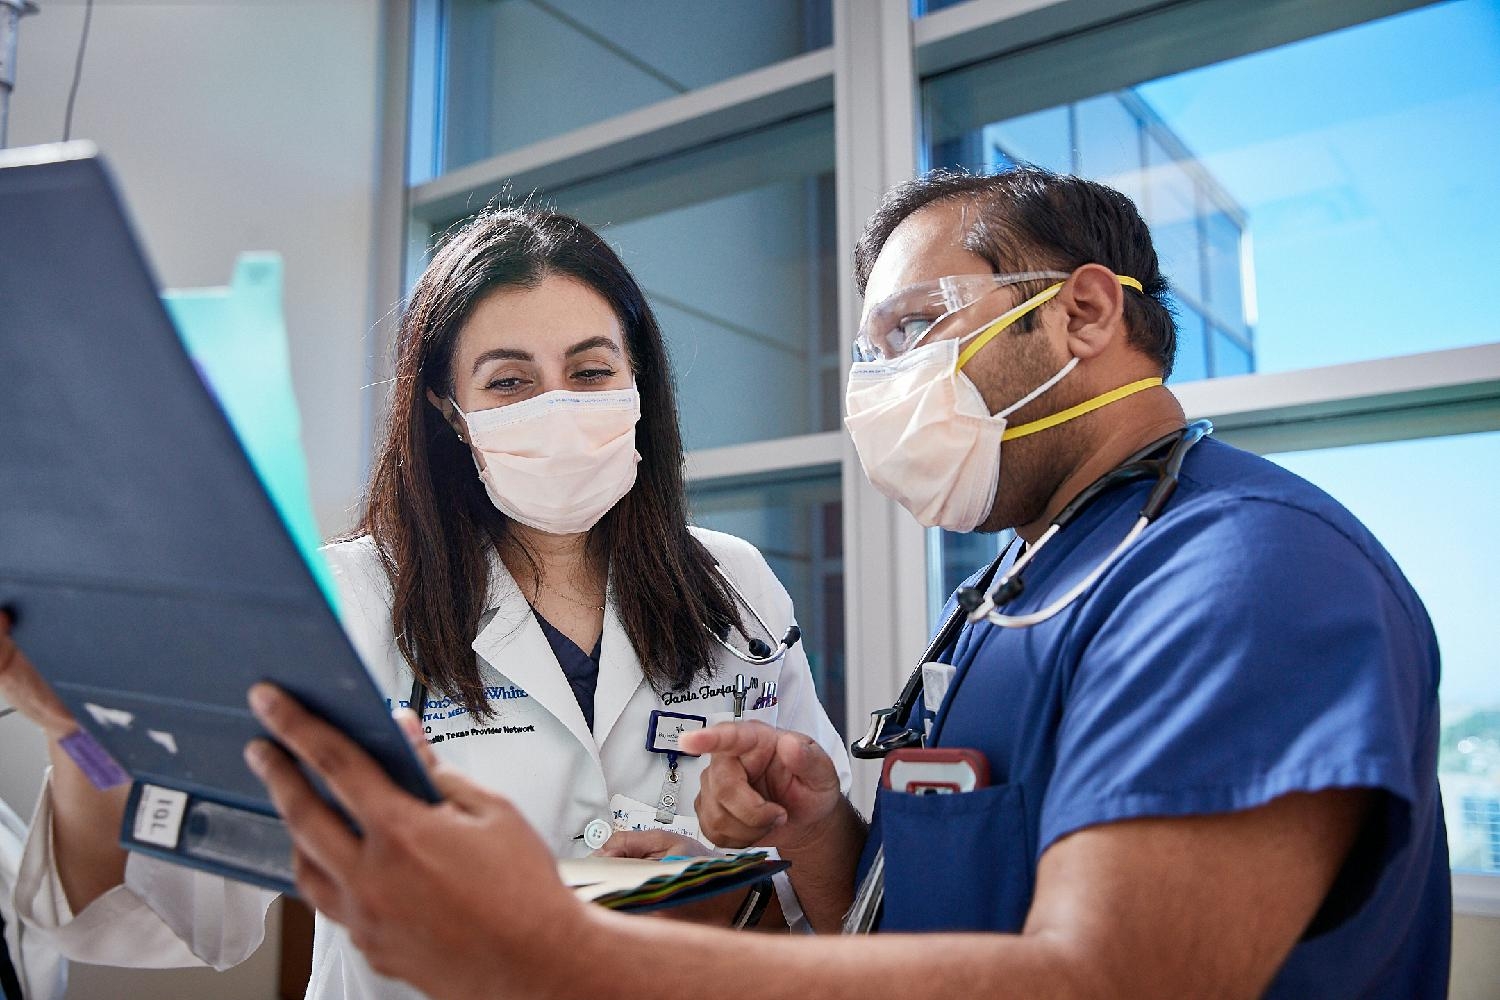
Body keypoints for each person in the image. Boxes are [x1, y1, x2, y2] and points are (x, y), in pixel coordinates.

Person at [216, 165, 1448, 1000]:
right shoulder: (1025, 587)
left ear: (1081, 314)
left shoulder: (1242, 576)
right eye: (869, 348)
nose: (882, 384)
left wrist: (552, 947)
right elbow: (918, 914)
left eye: (915, 328)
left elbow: (1099, 978)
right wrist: (821, 833)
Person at [0, 207, 851, 998]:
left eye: (592, 371)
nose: (559, 407)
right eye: (510, 382)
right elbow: (166, 912)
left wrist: (724, 896)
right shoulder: (346, 603)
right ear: (448, 410)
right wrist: (84, 734)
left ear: (640, 385)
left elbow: (843, 891)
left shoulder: (732, 587)